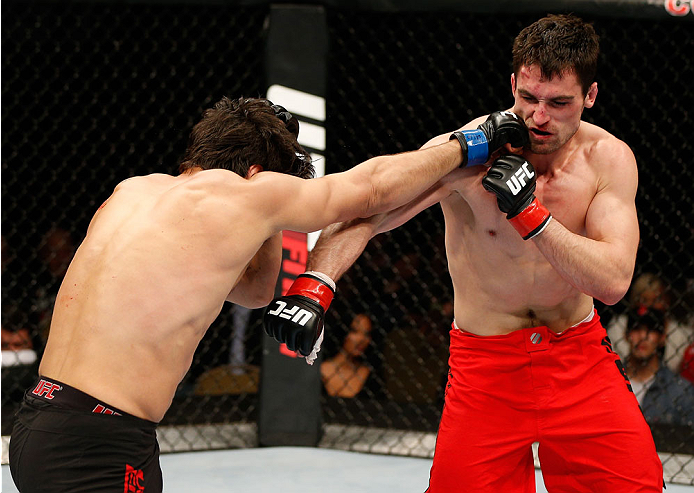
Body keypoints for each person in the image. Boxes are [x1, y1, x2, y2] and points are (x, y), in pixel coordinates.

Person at [8, 95, 517, 493]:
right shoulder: (243, 196)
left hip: (40, 421)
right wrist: (468, 143)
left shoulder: (133, 190)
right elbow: (372, 188)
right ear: (261, 173)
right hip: (97, 439)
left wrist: (273, 218)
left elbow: (253, 293)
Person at [264, 14, 663, 492]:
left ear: (590, 96)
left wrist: (530, 215)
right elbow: (365, 212)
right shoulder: (466, 152)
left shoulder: (609, 160)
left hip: (577, 357)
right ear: (513, 83)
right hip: (486, 371)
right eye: (528, 98)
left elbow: (614, 281)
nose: (539, 116)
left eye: (559, 103)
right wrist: (315, 286)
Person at [624, 306, 694, 427]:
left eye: (651, 330)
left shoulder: (681, 390)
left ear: (662, 338)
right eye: (636, 328)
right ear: (626, 335)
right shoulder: (608, 380)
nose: (643, 336)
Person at [321, 313, 373, 398]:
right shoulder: (319, 370)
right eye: (355, 331)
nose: (362, 339)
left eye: (366, 334)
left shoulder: (369, 374)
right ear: (343, 331)